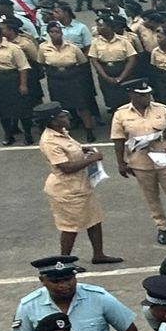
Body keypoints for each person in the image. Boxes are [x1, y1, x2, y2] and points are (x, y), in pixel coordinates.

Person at [12, 255, 141, 331]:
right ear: (42, 280)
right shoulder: (29, 306)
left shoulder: (98, 297)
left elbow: (129, 330)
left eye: (68, 279)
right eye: (56, 281)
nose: (64, 285)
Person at [35, 101, 121, 263]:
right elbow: (66, 167)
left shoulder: (62, 132)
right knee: (70, 228)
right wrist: (92, 159)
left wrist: (84, 150)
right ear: (53, 121)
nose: (67, 117)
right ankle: (64, 261)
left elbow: (72, 148)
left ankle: (98, 254)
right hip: (67, 190)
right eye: (62, 116)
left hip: (82, 185)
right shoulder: (49, 141)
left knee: (94, 220)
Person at [110, 81, 166, 246]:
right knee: (151, 198)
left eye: (148, 94)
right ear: (132, 95)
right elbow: (118, 140)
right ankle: (162, 227)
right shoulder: (121, 114)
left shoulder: (162, 109)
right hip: (140, 162)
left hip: (164, 158)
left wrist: (158, 136)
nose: (146, 97)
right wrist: (121, 163)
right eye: (142, 95)